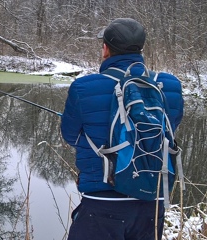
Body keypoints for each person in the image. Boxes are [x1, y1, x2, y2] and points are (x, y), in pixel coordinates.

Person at [61, 18, 184, 240]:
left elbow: (70, 135)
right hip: (151, 204)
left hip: (102, 201)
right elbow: (169, 128)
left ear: (106, 49)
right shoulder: (170, 85)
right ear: (141, 48)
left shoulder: (82, 87)